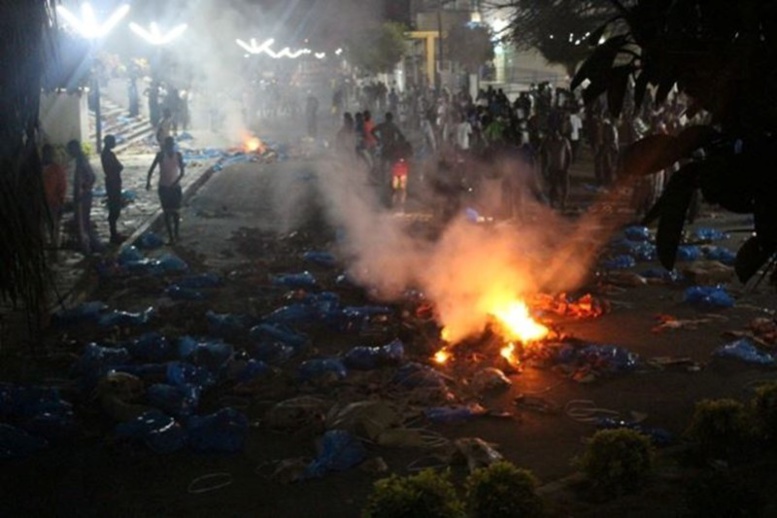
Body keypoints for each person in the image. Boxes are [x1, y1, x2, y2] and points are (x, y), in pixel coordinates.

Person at [146, 136, 184, 244]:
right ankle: (172, 236)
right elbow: (152, 169)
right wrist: (148, 182)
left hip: (173, 187)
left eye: (171, 145)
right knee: (167, 213)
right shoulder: (161, 155)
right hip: (165, 187)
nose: (170, 147)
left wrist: (175, 183)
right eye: (169, 145)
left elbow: (182, 172)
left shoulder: (178, 155)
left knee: (175, 212)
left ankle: (176, 235)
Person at [66, 140, 101, 255]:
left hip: (82, 197)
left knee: (82, 223)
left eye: (70, 150)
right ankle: (90, 246)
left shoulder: (81, 161)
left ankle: (88, 248)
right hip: (82, 195)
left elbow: (91, 177)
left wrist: (84, 188)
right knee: (83, 222)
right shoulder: (80, 160)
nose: (69, 152)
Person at [41, 144, 67, 259]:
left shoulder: (56, 169)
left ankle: (54, 245)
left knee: (54, 226)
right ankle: (46, 245)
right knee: (43, 225)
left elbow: (62, 186)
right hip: (42, 203)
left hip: (53, 203)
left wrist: (60, 199)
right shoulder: (37, 168)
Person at [100, 134, 125, 244]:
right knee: (114, 207)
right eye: (113, 141)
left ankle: (114, 232)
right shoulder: (108, 155)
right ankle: (113, 233)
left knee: (114, 206)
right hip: (113, 182)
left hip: (112, 181)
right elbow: (118, 167)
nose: (115, 143)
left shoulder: (106, 154)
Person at [539, 129, 573, 210]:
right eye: (553, 135)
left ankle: (563, 203)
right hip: (552, 168)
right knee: (553, 187)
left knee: (564, 187)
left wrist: (567, 167)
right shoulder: (548, 143)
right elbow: (543, 155)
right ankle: (552, 203)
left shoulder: (564, 142)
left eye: (556, 135)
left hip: (562, 168)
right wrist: (544, 168)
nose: (555, 137)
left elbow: (569, 155)